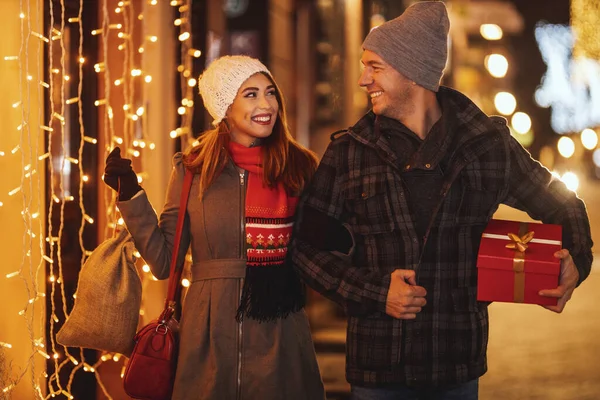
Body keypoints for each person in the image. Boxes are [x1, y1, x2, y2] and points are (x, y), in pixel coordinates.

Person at [289, 2, 593, 400]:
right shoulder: (350, 152)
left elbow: (563, 205)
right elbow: (305, 249)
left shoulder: (486, 145)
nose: (363, 79)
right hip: (378, 369)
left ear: (413, 71)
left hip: (457, 366)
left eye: (374, 66)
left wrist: (577, 257)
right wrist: (377, 293)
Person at [103, 55, 325, 400]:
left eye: (270, 93)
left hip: (279, 331)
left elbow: (320, 254)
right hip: (206, 334)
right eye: (250, 94)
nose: (266, 104)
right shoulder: (193, 169)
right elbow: (164, 262)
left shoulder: (299, 167)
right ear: (225, 107)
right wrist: (131, 194)